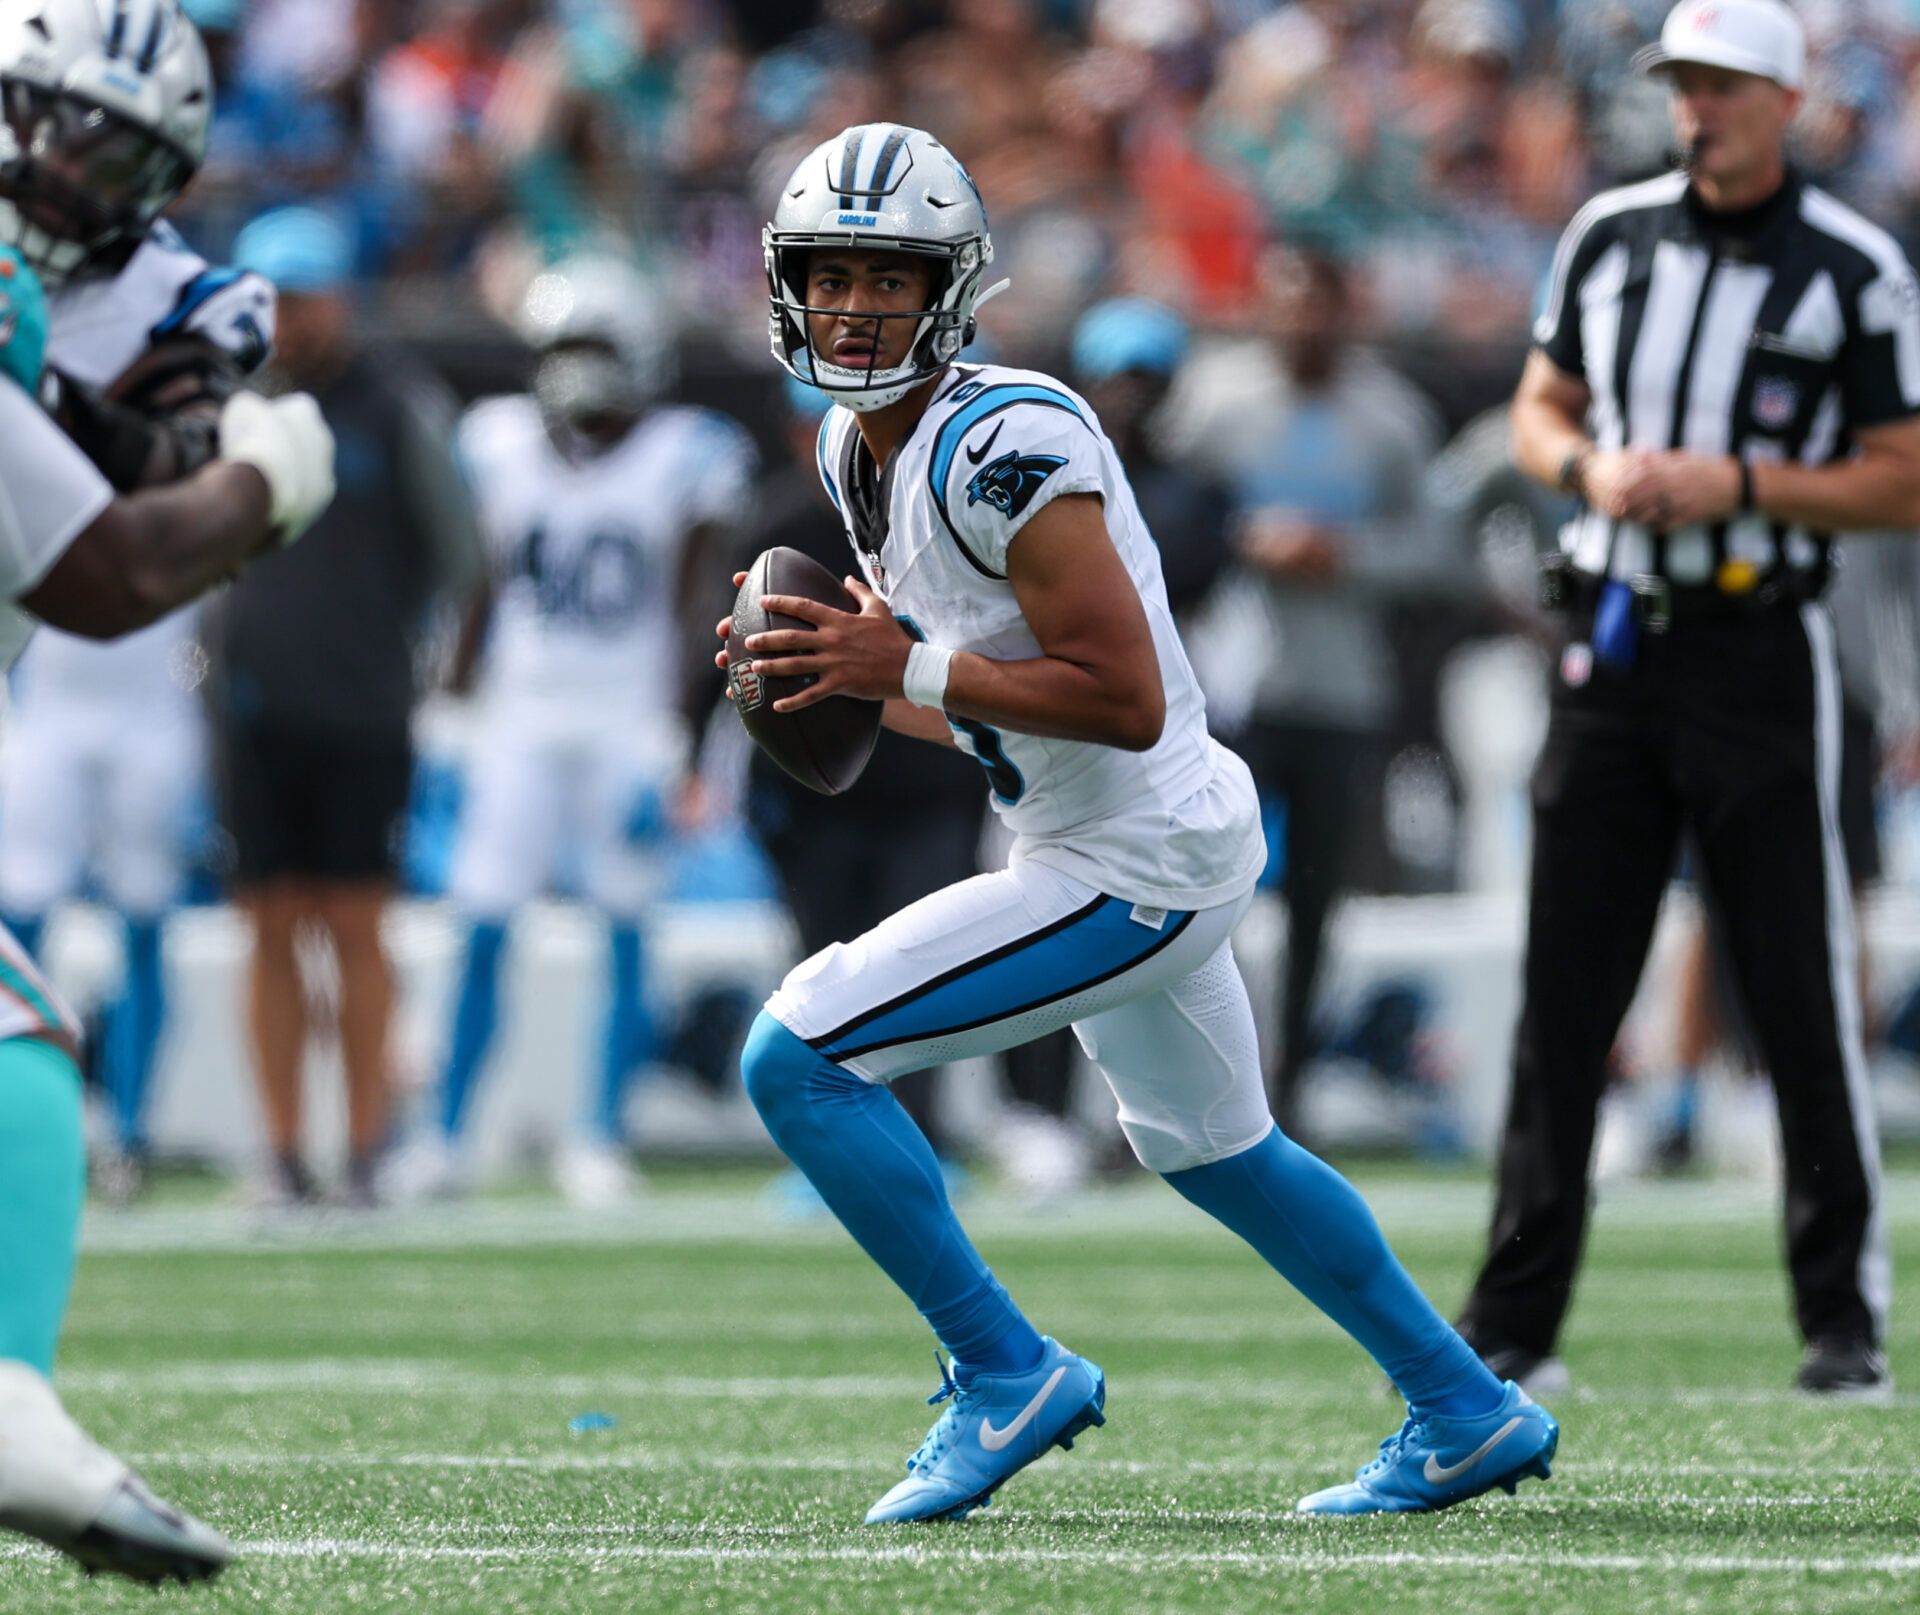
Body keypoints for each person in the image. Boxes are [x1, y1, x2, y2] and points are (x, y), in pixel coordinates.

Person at [718, 121, 1558, 1524]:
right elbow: (991, 704)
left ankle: (1005, 1368)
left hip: (1131, 854)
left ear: (950, 289)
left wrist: (898, 669)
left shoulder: (1004, 441)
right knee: (1218, 1147)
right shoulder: (853, 445)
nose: (855, 305)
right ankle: (1467, 1406)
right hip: (1095, 836)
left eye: (890, 277)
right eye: (832, 275)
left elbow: (1118, 696)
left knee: (797, 1054)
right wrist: (838, 675)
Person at [1456, 0, 1919, 1402]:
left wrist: (1742, 483)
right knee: (1564, 991)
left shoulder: (1853, 265)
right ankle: (1512, 1319)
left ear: (1786, 102)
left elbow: (1904, 471)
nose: (1696, 108)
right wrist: (1586, 469)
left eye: (1722, 84)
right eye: (1684, 83)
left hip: (1759, 645)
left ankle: (1840, 1319)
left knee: (1794, 984)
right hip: (1610, 643)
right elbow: (1538, 408)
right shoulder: (1611, 235)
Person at [0, 229, 332, 1591]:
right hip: (67, 704)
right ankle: (6, 1401)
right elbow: (114, 572)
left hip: (116, 711)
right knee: (19, 1024)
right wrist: (262, 478)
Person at [387, 256, 754, 1208]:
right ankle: (446, 1135)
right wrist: (449, 707)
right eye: (561, 346)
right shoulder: (497, 442)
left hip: (626, 716)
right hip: (518, 714)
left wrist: (682, 733)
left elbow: (696, 605)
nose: (575, 367)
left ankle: (600, 1133)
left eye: (594, 345)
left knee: (626, 928)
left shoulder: (686, 452)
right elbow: (474, 581)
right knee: (481, 922)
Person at [0, 0, 277, 1204]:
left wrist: (37, 396)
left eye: (116, 161)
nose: (72, 179)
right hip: (38, 687)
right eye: (61, 135)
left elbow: (176, 461)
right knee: (22, 937)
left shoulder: (194, 297)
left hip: (129, 668)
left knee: (128, 929)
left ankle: (136, 1129)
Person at [210, 205, 478, 1209]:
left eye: (305, 300)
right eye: (273, 302)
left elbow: (459, 555)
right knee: (269, 926)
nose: (290, 321)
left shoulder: (397, 406)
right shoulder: (222, 409)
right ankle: (282, 1153)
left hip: (364, 708)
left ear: (341, 300)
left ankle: (365, 1150)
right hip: (249, 707)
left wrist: (392, 649)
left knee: (358, 925)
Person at [1161, 247, 1445, 1134]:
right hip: (1226, 689)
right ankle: (1196, 1082)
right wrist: (1240, 540)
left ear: (1345, 310)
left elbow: (1438, 548)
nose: (1300, 322)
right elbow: (1155, 513)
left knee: (1318, 900)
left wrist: (1343, 554)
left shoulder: (1392, 416)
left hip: (1343, 689)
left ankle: (1287, 1091)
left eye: (1316, 304)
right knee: (1201, 893)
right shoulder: (1212, 400)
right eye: (1284, 303)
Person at [738, 380, 981, 1200]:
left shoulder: (938, 511)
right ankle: (831, 1151)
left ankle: (924, 1139)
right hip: (818, 793)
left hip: (931, 778)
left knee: (926, 965)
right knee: (825, 966)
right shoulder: (778, 522)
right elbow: (731, 659)